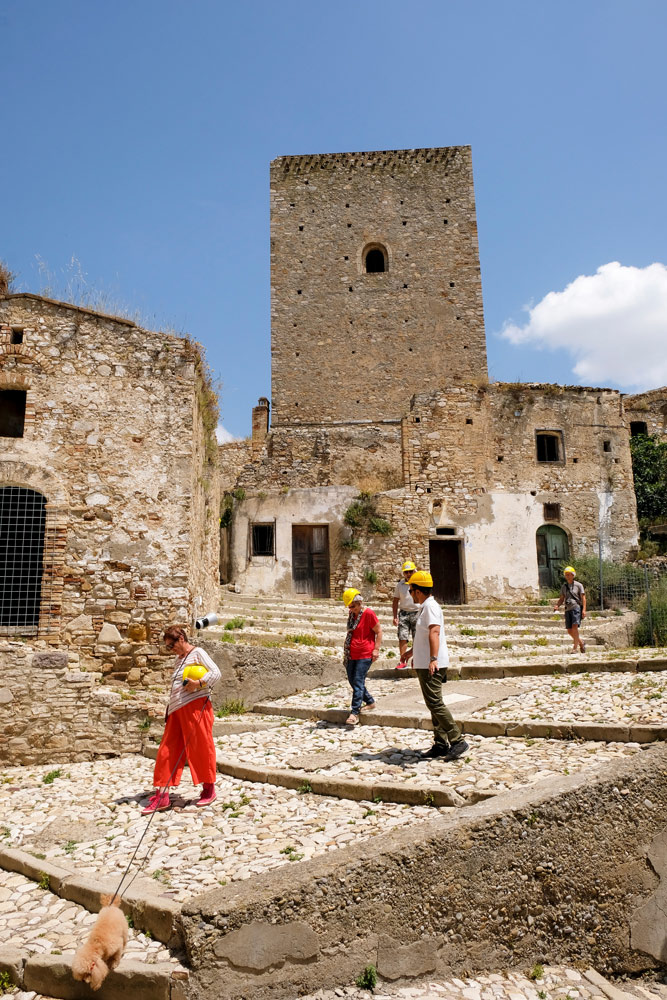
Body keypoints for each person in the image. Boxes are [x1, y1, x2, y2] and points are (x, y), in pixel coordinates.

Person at [141, 625, 221, 814]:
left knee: (201, 747)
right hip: (176, 710)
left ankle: (209, 789)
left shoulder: (198, 653)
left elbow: (216, 673)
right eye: (168, 647)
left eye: (172, 645)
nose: (171, 650)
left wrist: (198, 684)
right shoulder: (179, 660)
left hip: (195, 707)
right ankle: (162, 796)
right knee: (166, 751)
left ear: (182, 639)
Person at [403, 571, 469, 761]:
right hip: (425, 662)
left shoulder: (430, 607)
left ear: (418, 591)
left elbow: (434, 632)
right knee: (433, 703)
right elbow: (424, 636)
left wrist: (433, 658)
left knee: (435, 702)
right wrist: (413, 652)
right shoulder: (425, 607)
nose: (410, 594)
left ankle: (457, 740)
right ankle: (441, 744)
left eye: (411, 590)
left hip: (431, 663)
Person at [341, 588, 381, 726]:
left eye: (353, 606)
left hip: (365, 653)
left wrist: (376, 649)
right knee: (353, 681)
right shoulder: (352, 615)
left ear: (359, 603)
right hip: (352, 653)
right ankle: (370, 701)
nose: (351, 609)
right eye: (349, 607)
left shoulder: (368, 613)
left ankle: (354, 712)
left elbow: (379, 631)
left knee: (358, 681)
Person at [392, 559, 419, 669]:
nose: (408, 574)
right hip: (403, 613)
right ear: (403, 573)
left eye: (410, 571)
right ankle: (402, 660)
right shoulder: (400, 585)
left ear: (414, 571)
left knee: (417, 637)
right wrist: (394, 616)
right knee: (402, 637)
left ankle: (416, 659)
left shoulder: (419, 583)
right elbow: (395, 601)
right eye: (406, 572)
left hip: (417, 612)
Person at [553, 566, 587, 653]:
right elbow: (561, 598)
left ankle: (575, 648)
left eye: (569, 574)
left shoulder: (579, 585)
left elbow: (583, 598)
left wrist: (584, 610)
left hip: (576, 608)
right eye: (566, 575)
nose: (567, 576)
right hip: (567, 609)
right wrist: (557, 605)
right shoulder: (564, 587)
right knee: (569, 630)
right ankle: (581, 642)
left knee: (574, 628)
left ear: (573, 575)